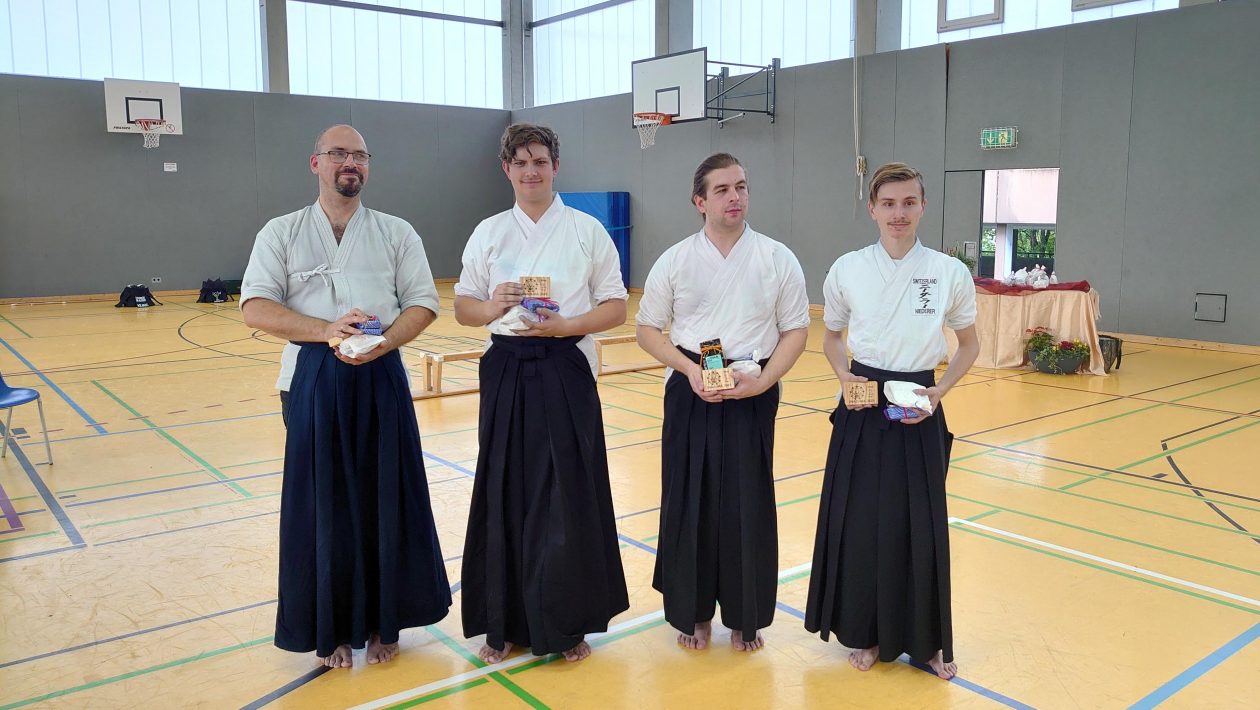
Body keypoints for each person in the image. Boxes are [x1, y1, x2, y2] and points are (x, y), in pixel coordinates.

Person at [240, 125, 451, 669]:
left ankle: (385, 621)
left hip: (381, 372)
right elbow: (256, 307)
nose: (349, 163)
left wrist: (384, 344)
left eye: (358, 155)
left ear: (367, 166)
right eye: (337, 154)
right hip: (311, 376)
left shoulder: (396, 232)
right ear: (316, 163)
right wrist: (326, 331)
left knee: (386, 498)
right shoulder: (282, 232)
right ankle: (327, 626)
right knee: (322, 506)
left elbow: (423, 303)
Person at [454, 123, 630, 664]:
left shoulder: (586, 230)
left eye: (540, 161)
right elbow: (463, 308)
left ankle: (568, 623)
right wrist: (493, 305)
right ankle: (502, 622)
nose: (531, 171)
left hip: (565, 364)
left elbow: (616, 306)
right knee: (503, 486)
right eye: (520, 162)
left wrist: (567, 325)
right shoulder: (488, 232)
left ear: (556, 166)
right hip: (506, 366)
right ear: (506, 169)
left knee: (568, 490)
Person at [803, 162, 979, 679]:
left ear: (923, 206)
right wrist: (844, 377)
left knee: (919, 524)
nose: (898, 213)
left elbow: (969, 345)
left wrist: (940, 391)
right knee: (860, 522)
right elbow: (831, 337)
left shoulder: (948, 272)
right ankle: (865, 631)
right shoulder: (848, 268)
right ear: (872, 209)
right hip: (862, 400)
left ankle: (925, 640)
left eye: (908, 203)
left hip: (919, 401)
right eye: (888, 204)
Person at [635, 153, 810, 652]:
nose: (735, 197)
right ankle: (692, 613)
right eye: (722, 190)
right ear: (700, 201)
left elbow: (796, 330)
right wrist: (688, 369)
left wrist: (765, 381)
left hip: (752, 383)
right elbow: (647, 329)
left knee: (746, 502)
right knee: (688, 498)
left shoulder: (776, 257)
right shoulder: (676, 259)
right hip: (691, 384)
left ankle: (744, 615)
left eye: (741, 187)